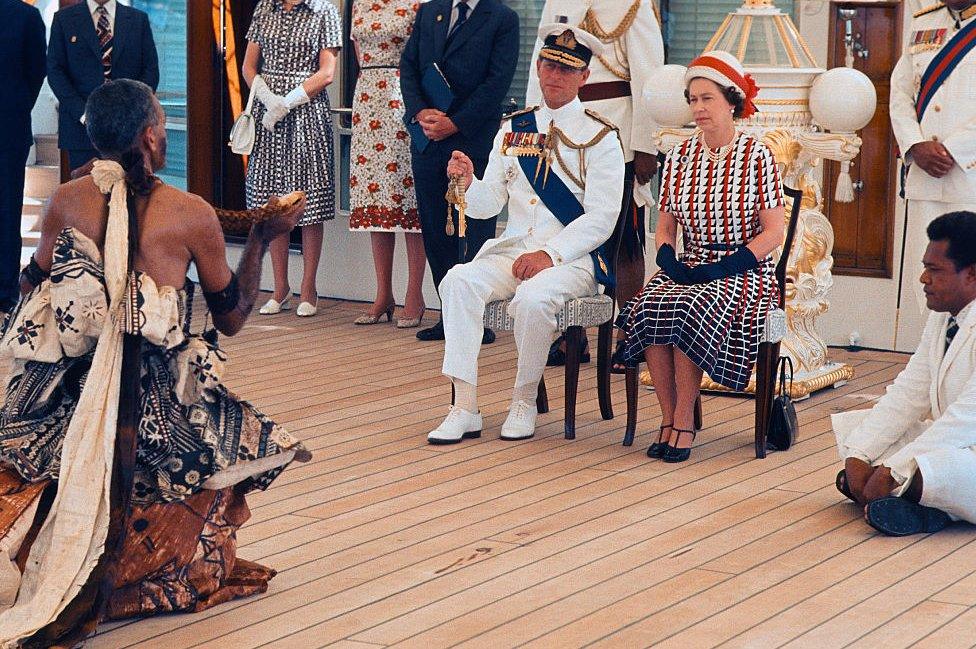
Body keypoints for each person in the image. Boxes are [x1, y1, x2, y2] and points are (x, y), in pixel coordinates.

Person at [0, 79, 310, 645]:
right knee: (238, 431)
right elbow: (233, 317)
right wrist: (263, 239)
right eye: (163, 129)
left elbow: (33, 281)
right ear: (148, 136)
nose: (164, 136)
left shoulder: (65, 201)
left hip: (66, 382)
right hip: (151, 401)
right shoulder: (189, 213)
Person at [427, 25, 624, 445]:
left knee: (533, 298)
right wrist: (466, 182)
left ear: (583, 77)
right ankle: (464, 406)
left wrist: (551, 254)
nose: (555, 75)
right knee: (457, 280)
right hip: (514, 250)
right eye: (549, 65)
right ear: (537, 66)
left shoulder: (601, 138)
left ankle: (522, 401)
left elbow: (603, 217)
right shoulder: (513, 129)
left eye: (566, 69)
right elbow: (489, 203)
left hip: (572, 261)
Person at [616, 51, 785, 463]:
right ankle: (669, 417)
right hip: (689, 263)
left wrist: (726, 266)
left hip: (744, 269)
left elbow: (774, 232)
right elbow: (665, 226)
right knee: (650, 305)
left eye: (707, 98)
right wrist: (667, 259)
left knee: (692, 307)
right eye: (693, 99)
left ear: (732, 100)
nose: (698, 108)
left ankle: (683, 423)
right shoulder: (678, 156)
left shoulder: (756, 156)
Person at [525, 0, 665, 369]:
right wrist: (531, 131)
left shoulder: (633, 4)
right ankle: (573, 336)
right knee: (562, 232)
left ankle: (630, 334)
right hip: (560, 129)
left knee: (624, 242)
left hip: (615, 131)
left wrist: (645, 145)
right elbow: (536, 68)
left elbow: (649, 75)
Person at [833, 211, 976, 536]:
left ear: (971, 275)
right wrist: (860, 456)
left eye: (934, 270)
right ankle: (911, 502)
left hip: (965, 442)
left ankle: (932, 512)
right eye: (925, 267)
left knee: (927, 471)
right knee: (862, 438)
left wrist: (891, 470)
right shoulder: (944, 316)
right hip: (956, 441)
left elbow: (965, 420)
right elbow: (907, 394)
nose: (923, 279)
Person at [399, 0, 520, 343]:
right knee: (437, 231)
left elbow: (497, 83)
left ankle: (476, 317)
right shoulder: (429, 11)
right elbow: (408, 67)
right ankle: (449, 315)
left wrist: (455, 122)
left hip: (472, 139)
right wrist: (422, 112)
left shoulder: (502, 18)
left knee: (476, 231)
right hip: (427, 140)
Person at [243, 0, 342, 318]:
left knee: (306, 199)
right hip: (268, 113)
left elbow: (327, 72)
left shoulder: (324, 10)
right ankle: (281, 287)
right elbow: (248, 66)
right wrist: (269, 100)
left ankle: (309, 288)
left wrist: (287, 101)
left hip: (306, 112)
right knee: (273, 200)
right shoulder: (265, 7)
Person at [890, 0, 976, 349]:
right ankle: (929, 364)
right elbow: (900, 94)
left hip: (969, 177)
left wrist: (954, 150)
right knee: (923, 277)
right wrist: (914, 145)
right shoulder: (924, 22)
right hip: (926, 178)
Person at [348, 0, 427, 328]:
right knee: (374, 197)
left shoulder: (418, 2)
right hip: (367, 98)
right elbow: (357, 51)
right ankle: (383, 294)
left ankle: (415, 294)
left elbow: (425, 53)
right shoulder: (360, 3)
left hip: (402, 94)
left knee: (408, 196)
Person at [47, 0, 159, 172]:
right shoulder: (64, 19)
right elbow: (55, 72)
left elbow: (150, 71)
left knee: (131, 194)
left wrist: (132, 114)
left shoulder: (138, 19)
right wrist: (85, 114)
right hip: (81, 131)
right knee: (85, 194)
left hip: (130, 132)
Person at [0, 0, 46, 315]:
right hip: (11, 126)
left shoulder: (26, 16)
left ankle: (4, 291)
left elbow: (36, 74)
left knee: (6, 212)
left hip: (9, 133)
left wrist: (14, 111)